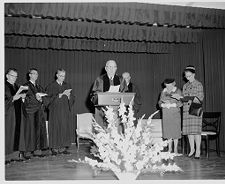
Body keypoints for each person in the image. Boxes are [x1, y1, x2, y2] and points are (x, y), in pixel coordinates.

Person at [172, 65, 204, 159]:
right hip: (186, 110)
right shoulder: (185, 86)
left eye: (189, 76)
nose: (188, 78)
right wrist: (178, 100)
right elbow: (183, 99)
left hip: (195, 109)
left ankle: (198, 150)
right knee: (190, 132)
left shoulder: (198, 84)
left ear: (194, 74)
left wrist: (185, 98)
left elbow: (200, 98)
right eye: (186, 76)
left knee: (196, 132)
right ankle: (192, 149)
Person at [45, 69, 75, 155]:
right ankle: (54, 148)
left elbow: (73, 98)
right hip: (55, 111)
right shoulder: (51, 86)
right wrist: (57, 96)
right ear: (57, 75)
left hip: (65, 111)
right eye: (61, 76)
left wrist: (69, 97)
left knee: (64, 128)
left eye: (64, 76)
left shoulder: (67, 85)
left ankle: (62, 148)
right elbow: (47, 99)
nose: (62, 78)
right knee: (55, 128)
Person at [19, 68, 48, 159]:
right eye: (34, 74)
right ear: (30, 75)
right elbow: (23, 99)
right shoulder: (25, 86)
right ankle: (27, 151)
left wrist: (41, 99)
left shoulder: (39, 86)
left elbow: (45, 97)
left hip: (39, 111)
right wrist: (35, 99)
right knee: (29, 131)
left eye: (37, 74)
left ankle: (37, 150)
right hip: (29, 111)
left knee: (38, 130)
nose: (36, 75)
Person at [90, 60, 127, 128]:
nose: (112, 69)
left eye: (114, 67)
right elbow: (93, 95)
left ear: (116, 68)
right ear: (106, 68)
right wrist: (104, 95)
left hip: (116, 111)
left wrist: (119, 95)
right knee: (103, 133)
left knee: (116, 132)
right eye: (110, 67)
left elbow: (125, 95)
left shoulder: (121, 80)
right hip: (102, 111)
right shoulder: (100, 79)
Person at [5, 68, 27, 164]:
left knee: (17, 134)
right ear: (7, 76)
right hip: (9, 115)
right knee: (8, 134)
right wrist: (13, 98)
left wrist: (22, 97)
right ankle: (5, 157)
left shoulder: (17, 86)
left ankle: (15, 155)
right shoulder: (4, 86)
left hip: (17, 114)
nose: (14, 78)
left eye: (15, 76)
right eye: (12, 75)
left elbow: (20, 100)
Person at [158, 78, 182, 154]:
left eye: (169, 86)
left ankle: (175, 149)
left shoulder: (178, 91)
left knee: (175, 131)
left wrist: (173, 104)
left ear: (173, 84)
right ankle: (169, 149)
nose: (168, 87)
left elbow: (181, 102)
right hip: (166, 113)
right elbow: (159, 102)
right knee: (168, 132)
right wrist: (162, 104)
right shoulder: (163, 92)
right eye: (167, 86)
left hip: (174, 113)